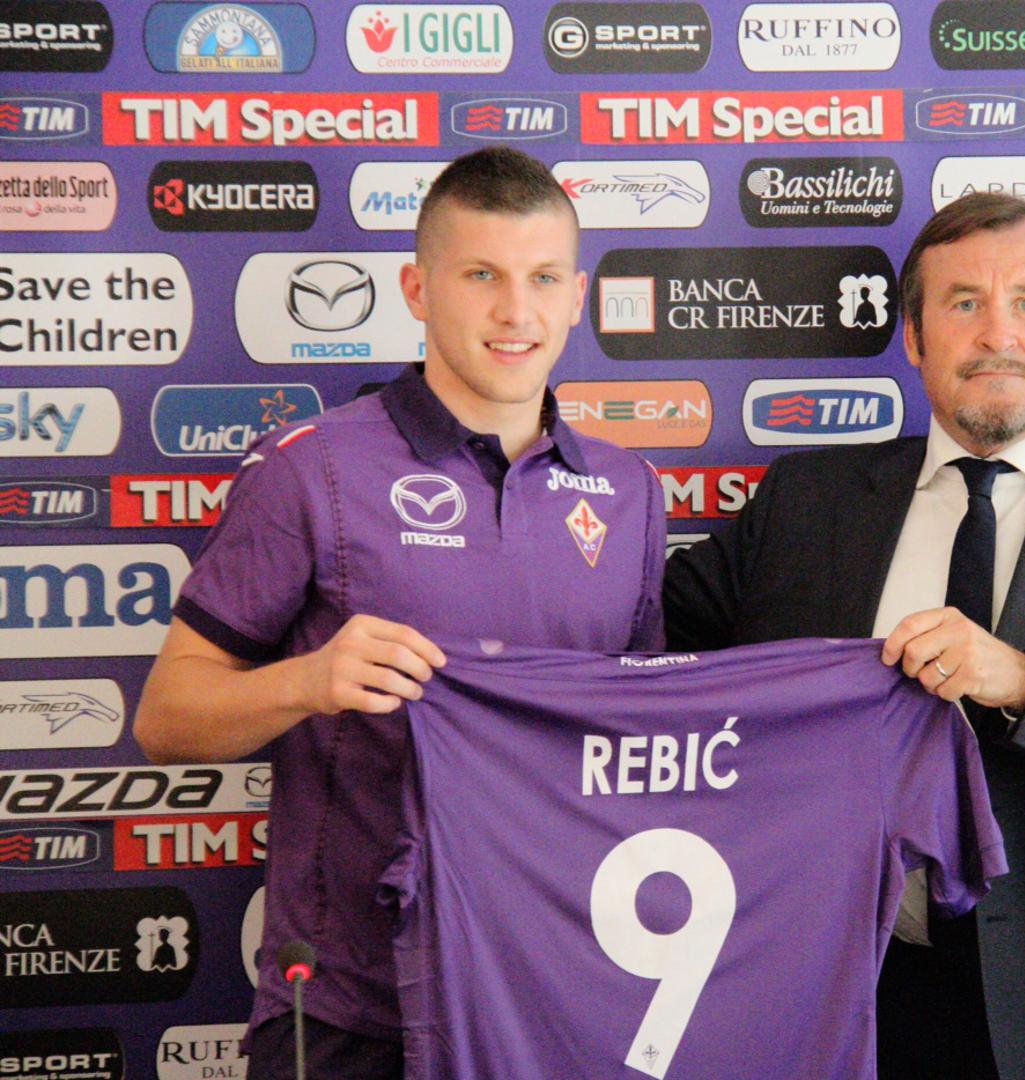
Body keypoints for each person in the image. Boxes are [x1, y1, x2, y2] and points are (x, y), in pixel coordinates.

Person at [662, 191, 1025, 1079]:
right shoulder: (805, 503)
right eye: (964, 303)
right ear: (914, 337)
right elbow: (629, 639)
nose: (997, 333)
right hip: (852, 1001)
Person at [134, 147, 666, 1079]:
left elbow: (646, 742)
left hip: (558, 997)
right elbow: (166, 721)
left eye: (544, 278)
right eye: (481, 276)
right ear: (418, 290)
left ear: (578, 297)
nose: (517, 312)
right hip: (353, 1009)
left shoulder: (630, 492)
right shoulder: (312, 467)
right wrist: (308, 682)